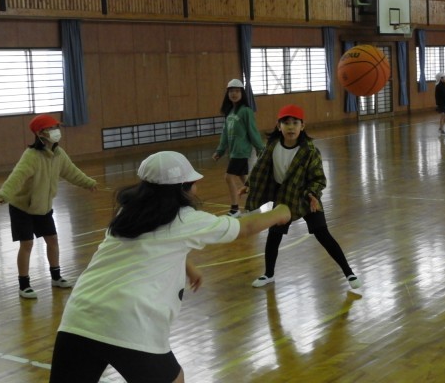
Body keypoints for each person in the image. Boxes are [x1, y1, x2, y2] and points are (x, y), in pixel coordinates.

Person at [49, 151, 291, 383]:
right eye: (193, 183)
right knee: (174, 379)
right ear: (182, 189)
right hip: (130, 321)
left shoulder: (129, 212)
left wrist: (187, 266)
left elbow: (149, 245)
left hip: (79, 317)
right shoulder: (186, 218)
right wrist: (281, 211)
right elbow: (245, 227)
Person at [242, 104, 362, 290]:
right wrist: (249, 184)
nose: (290, 127)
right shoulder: (272, 147)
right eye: (286, 123)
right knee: (274, 235)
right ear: (278, 126)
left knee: (323, 234)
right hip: (284, 196)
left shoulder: (310, 151)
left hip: (307, 196)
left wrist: (313, 195)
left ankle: (349, 272)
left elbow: (318, 178)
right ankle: (269, 274)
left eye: (295, 123)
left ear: (302, 126)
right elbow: (261, 168)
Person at [0, 114, 97, 299]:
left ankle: (56, 277)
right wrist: (4, 194)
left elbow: (71, 171)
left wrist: (88, 182)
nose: (56, 131)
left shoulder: (59, 154)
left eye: (57, 127)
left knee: (53, 241)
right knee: (27, 244)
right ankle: (24, 285)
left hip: (43, 208)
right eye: (51, 128)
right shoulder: (31, 156)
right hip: (22, 208)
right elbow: (17, 177)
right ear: (40, 133)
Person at [212, 78, 264, 217]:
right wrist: (220, 150)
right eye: (231, 91)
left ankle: (235, 209)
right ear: (227, 94)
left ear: (242, 93)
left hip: (241, 151)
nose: (234, 94)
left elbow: (253, 131)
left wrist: (260, 148)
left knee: (228, 177)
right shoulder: (229, 113)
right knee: (245, 180)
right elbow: (225, 133)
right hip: (233, 152)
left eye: (237, 91)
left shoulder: (246, 111)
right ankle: (255, 205)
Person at [435, 72, 445, 137]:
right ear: (441, 78)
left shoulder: (444, 85)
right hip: (441, 104)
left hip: (444, 103)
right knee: (442, 116)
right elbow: (437, 96)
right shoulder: (438, 86)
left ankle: (440, 128)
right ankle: (442, 131)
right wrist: (438, 104)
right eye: (444, 77)